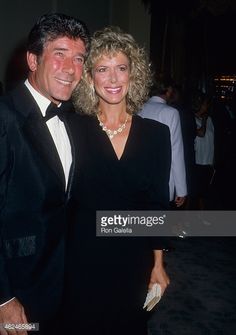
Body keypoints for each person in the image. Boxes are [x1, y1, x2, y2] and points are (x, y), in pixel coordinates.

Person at [63, 27, 171, 334]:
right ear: (89, 77)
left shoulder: (156, 135)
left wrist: (158, 264)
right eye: (102, 69)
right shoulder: (71, 127)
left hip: (133, 259)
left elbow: (157, 205)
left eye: (121, 68)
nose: (112, 80)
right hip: (83, 256)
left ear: (132, 75)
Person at [0, 13, 90, 335]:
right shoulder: (5, 116)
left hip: (63, 285)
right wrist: (3, 298)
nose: (71, 69)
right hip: (19, 289)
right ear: (33, 59)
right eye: (60, 55)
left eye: (79, 58)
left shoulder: (75, 119)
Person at [139, 77, 187, 207]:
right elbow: (176, 151)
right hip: (162, 176)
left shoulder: (138, 108)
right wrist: (181, 189)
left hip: (139, 174)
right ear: (169, 90)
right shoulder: (171, 113)